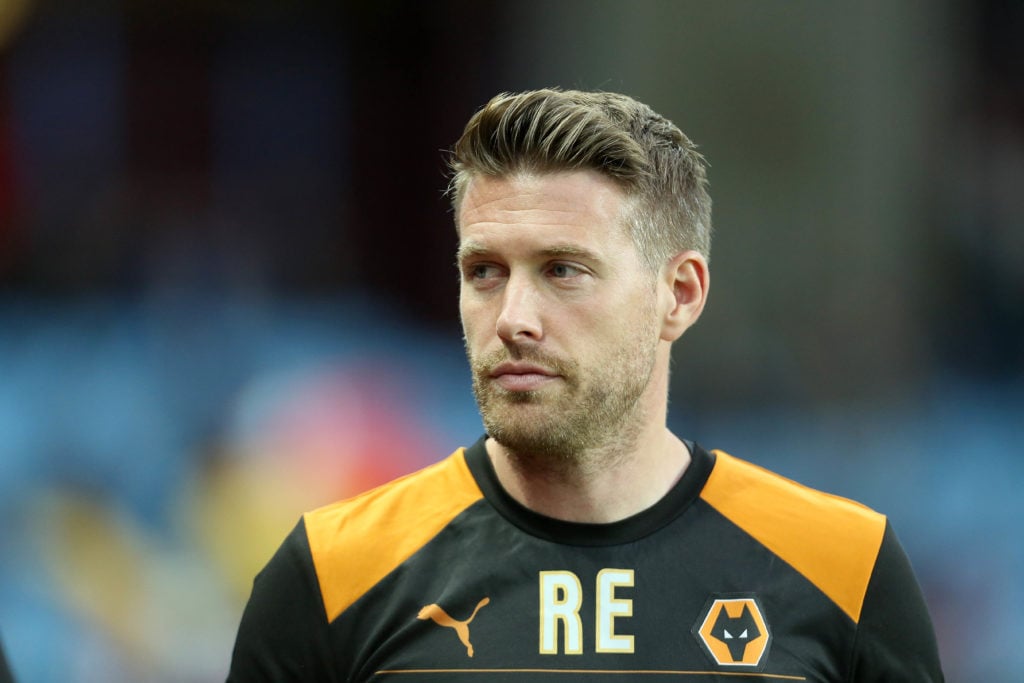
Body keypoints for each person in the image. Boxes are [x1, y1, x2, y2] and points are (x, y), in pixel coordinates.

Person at [227, 89, 944, 681]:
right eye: (484, 272)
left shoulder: (845, 570)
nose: (513, 318)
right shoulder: (330, 575)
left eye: (563, 270)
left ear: (680, 294)